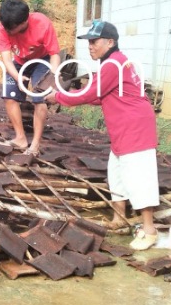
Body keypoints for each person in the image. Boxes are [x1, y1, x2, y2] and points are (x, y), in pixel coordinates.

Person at [44, 20, 160, 251]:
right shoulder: (115, 62)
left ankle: (149, 231)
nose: (90, 46)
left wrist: (59, 97)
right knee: (116, 172)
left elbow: (91, 94)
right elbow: (100, 95)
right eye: (88, 42)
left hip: (134, 128)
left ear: (110, 42)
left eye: (94, 41)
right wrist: (70, 93)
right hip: (125, 127)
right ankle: (120, 219)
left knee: (139, 177)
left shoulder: (113, 65)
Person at [0, 0, 61, 155]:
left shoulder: (42, 23)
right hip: (19, 62)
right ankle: (20, 138)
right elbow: (6, 58)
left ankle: (35, 145)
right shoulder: (3, 28)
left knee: (40, 97)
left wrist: (52, 79)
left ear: (25, 21)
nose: (9, 32)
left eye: (13, 29)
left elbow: (55, 55)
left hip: (42, 60)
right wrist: (18, 77)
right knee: (9, 95)